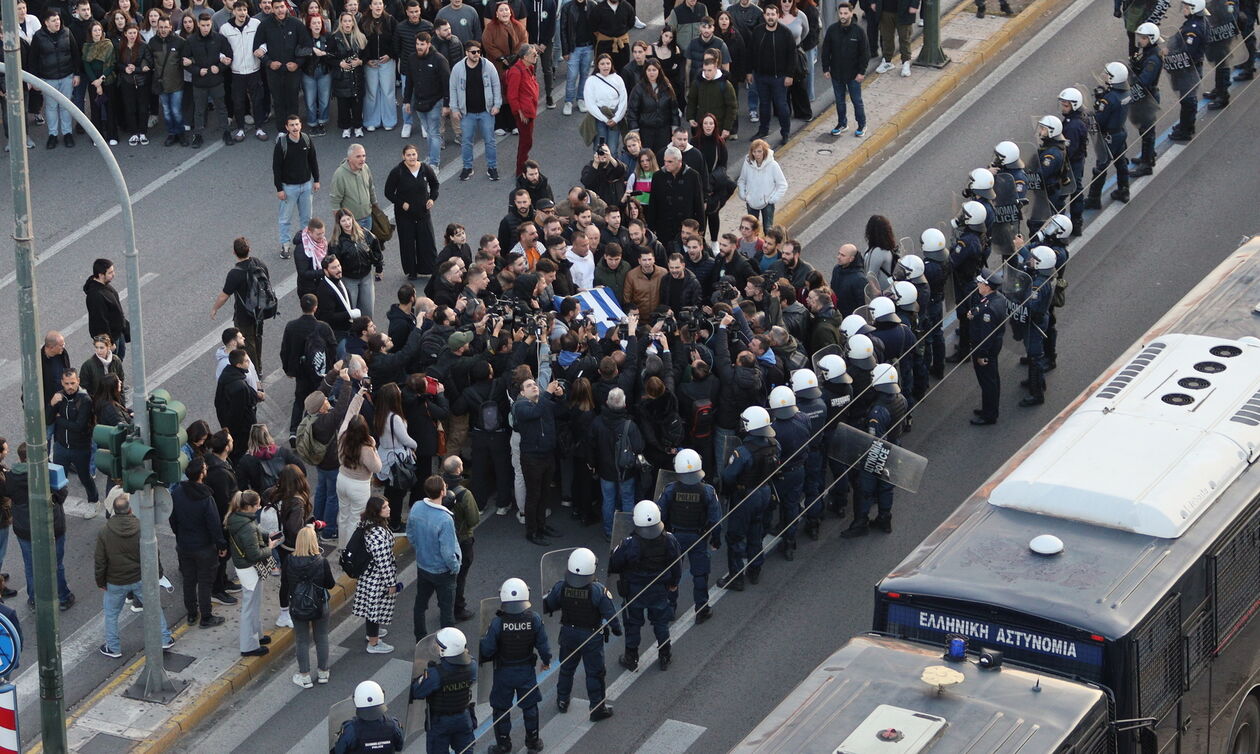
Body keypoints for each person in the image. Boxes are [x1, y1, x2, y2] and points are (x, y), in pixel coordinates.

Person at [541, 548, 619, 720]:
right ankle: (597, 708)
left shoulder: (561, 587)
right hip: (591, 637)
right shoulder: (598, 590)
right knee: (595, 673)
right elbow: (610, 614)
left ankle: (562, 700)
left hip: (568, 634)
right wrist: (616, 628)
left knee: (567, 669)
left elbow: (548, 605)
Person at [95, 493, 174, 659]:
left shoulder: (105, 532)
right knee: (153, 607)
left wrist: (101, 581)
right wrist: (158, 573)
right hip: (140, 578)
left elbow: (100, 561)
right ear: (131, 509)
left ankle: (113, 647)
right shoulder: (142, 526)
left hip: (115, 580)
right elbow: (154, 552)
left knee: (111, 614)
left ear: (114, 510)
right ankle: (165, 638)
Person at [480, 578, 551, 753]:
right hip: (526, 671)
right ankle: (533, 742)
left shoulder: (497, 623)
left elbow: (487, 650)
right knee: (530, 707)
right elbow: (543, 646)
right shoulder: (534, 619)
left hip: (503, 673)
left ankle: (503, 745)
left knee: (501, 709)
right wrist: (546, 661)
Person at [609, 500, 681, 672]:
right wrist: (673, 584)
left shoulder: (629, 543)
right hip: (658, 590)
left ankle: (631, 658)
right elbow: (676, 564)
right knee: (660, 623)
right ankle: (665, 655)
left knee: (633, 624)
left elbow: (614, 564)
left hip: (634, 591)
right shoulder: (669, 539)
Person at [656, 449, 720, 622]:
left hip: (674, 537)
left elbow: (659, 516)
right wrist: (716, 539)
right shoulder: (707, 491)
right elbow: (715, 518)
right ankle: (702, 609)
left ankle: (670, 609)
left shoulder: (669, 490)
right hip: (698, 538)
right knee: (700, 574)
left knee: (672, 574)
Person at [9, 442, 76, 610]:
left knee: (31, 566)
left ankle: (34, 599)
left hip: (25, 529)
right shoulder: (47, 474)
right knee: (56, 564)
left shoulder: (12, 477)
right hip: (52, 527)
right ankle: (62, 597)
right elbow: (62, 495)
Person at [717, 404, 777, 591]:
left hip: (746, 496)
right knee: (756, 532)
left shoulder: (742, 452)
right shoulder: (774, 444)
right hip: (765, 491)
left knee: (735, 536)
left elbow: (728, 476)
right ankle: (755, 569)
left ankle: (736, 577)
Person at [169, 456, 228, 628]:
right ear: (201, 474)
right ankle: (206, 616)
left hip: (184, 545)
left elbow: (173, 519)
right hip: (204, 547)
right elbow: (214, 524)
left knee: (189, 580)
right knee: (204, 582)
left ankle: (192, 614)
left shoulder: (177, 493)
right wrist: (221, 545)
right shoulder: (206, 498)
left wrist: (180, 536)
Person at [226, 490, 281, 656]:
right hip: (249, 568)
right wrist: (270, 548)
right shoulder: (247, 526)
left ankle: (256, 636)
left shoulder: (239, 518)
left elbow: (257, 530)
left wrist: (268, 535)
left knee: (254, 604)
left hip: (245, 568)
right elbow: (255, 554)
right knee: (250, 607)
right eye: (257, 504)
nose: (260, 507)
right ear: (249, 506)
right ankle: (248, 646)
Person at [512, 378, 565, 545]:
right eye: (528, 385)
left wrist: (560, 397)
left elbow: (563, 412)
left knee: (545, 493)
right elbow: (534, 413)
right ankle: (531, 530)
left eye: (535, 384)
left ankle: (541, 525)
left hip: (547, 455)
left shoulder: (544, 402)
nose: (534, 386)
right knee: (534, 495)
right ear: (522, 393)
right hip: (532, 458)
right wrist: (548, 394)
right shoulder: (520, 406)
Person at [408, 475, 461, 641]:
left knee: (420, 604)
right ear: (443, 492)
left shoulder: (416, 507)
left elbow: (410, 534)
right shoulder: (445, 519)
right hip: (443, 571)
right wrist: (455, 567)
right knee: (446, 610)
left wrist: (422, 550)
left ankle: (420, 639)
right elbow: (448, 552)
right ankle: (449, 645)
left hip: (423, 566)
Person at [409, 627, 476, 753]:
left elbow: (417, 691)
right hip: (463, 717)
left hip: (441, 722)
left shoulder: (435, 674)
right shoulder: (472, 666)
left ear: (444, 650)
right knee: (466, 750)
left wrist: (421, 676)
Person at [210, 237, 272, 369]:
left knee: (247, 343)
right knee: (257, 337)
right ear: (249, 250)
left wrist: (215, 308)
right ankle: (259, 365)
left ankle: (254, 370)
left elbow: (224, 296)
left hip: (244, 314)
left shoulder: (235, 273)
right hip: (260, 310)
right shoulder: (259, 263)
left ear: (234, 252)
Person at [287, 526, 336, 688]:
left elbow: (285, 585)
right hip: (320, 605)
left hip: (298, 605)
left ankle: (305, 676)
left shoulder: (289, 561)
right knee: (321, 637)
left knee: (301, 640)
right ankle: (323, 673)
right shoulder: (321, 561)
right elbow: (330, 584)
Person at [449, 39, 503, 182]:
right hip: (467, 113)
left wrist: (497, 105)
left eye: (479, 51)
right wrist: (454, 108)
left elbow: (496, 85)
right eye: (473, 52)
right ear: (467, 53)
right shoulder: (458, 68)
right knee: (466, 141)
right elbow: (453, 88)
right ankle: (467, 167)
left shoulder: (488, 66)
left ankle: (492, 167)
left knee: (490, 141)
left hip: (486, 111)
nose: (477, 54)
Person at [351, 496, 399, 653]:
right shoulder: (377, 533)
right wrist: (391, 583)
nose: (389, 509)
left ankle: (372, 633)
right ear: (377, 512)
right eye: (385, 507)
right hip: (376, 577)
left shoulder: (368, 524)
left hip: (369, 574)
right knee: (374, 608)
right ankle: (373, 643)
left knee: (371, 606)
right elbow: (383, 560)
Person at [384, 144, 441, 279]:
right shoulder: (397, 171)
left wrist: (432, 199)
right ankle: (412, 271)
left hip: (423, 212)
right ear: (403, 156)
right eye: (408, 155)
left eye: (413, 154)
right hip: (405, 215)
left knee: (427, 241)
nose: (411, 157)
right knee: (407, 242)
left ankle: (430, 268)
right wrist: (401, 203)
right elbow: (388, 192)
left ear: (417, 155)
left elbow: (435, 184)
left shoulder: (424, 168)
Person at [254, 0, 309, 134]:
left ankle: (295, 130)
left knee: (292, 101)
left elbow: (306, 46)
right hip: (274, 71)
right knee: (278, 101)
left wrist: (297, 63)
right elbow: (257, 48)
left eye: (282, 7)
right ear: (272, 9)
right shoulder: (264, 25)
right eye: (276, 7)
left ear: (286, 7)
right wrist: (268, 62)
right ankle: (281, 130)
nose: (280, 10)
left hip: (293, 70)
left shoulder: (296, 24)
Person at [31, 10, 82, 149]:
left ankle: (67, 133)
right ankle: (52, 135)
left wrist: (77, 74)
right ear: (46, 22)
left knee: (66, 106)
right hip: (48, 78)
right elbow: (33, 59)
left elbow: (75, 53)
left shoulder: (67, 32)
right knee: (51, 107)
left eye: (58, 19)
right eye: (53, 20)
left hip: (67, 76)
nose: (57, 22)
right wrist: (34, 80)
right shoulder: (38, 37)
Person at [274, 115, 321, 261]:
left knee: (307, 218)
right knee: (285, 219)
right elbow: (276, 168)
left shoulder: (306, 139)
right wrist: (279, 189)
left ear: (301, 125)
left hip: (306, 185)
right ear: (287, 127)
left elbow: (313, 160)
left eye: (297, 124)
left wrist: (316, 180)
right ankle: (285, 246)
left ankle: (306, 244)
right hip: (289, 188)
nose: (295, 127)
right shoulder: (282, 144)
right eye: (291, 125)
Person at [748, 3, 795, 147]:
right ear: (764, 16)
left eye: (773, 14)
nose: (770, 17)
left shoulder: (786, 33)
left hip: (779, 78)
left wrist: (789, 75)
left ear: (777, 15)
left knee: (782, 106)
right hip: (761, 77)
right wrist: (749, 71)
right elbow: (750, 52)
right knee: (764, 105)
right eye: (768, 14)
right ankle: (763, 130)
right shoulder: (757, 31)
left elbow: (792, 56)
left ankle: (785, 132)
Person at [182, 12, 232, 148]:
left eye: (208, 25)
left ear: (211, 24)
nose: (205, 28)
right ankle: (198, 135)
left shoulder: (220, 38)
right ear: (198, 24)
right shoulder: (191, 41)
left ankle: (226, 132)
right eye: (203, 25)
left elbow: (229, 56)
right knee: (199, 110)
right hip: (199, 83)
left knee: (221, 108)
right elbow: (184, 61)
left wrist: (220, 67)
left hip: (216, 81)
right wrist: (197, 71)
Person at [401, 31, 450, 168]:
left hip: (436, 102)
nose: (419, 47)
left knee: (434, 133)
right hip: (419, 102)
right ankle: (430, 158)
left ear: (428, 44)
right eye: (417, 44)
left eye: (422, 44)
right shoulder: (412, 58)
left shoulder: (439, 60)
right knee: (429, 132)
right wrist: (406, 101)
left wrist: (446, 104)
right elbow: (409, 82)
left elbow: (447, 83)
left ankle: (434, 163)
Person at [337, 397, 381, 547]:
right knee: (355, 519)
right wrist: (373, 446)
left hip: (342, 479)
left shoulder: (342, 435)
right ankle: (351, 550)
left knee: (343, 515)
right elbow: (377, 468)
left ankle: (342, 547)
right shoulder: (366, 448)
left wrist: (359, 396)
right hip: (359, 486)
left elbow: (350, 413)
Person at [1086, 62, 1131, 206]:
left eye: (1107, 74)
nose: (1104, 76)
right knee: (1121, 162)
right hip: (1120, 132)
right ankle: (1124, 190)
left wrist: (1096, 106)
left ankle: (1094, 198)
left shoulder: (1109, 99)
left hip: (1109, 137)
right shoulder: (1126, 92)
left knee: (1100, 167)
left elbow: (1099, 120)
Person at [221, 1, 266, 142]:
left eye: (244, 10)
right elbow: (220, 48)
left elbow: (264, 41)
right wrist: (223, 58)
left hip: (254, 70)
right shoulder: (225, 29)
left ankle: (259, 128)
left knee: (258, 100)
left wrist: (263, 50)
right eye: (239, 10)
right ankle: (240, 129)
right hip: (236, 72)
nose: (242, 13)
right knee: (238, 102)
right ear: (233, 12)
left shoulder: (256, 24)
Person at [967, 269, 1008, 426]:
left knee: (988, 382)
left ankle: (989, 415)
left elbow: (986, 335)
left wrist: (981, 354)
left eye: (980, 282)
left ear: (987, 286)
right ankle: (988, 409)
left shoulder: (988, 310)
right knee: (991, 379)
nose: (978, 284)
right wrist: (974, 312)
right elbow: (981, 308)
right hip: (994, 346)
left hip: (985, 349)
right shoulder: (996, 299)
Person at [821, 2, 868, 137]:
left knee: (857, 101)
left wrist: (861, 72)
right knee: (840, 101)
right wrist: (826, 68)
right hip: (836, 74)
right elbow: (826, 51)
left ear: (851, 13)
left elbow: (865, 53)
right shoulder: (832, 30)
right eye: (841, 13)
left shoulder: (859, 32)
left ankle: (862, 124)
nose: (843, 16)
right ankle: (842, 123)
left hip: (854, 75)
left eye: (845, 13)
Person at [626, 58, 680, 158]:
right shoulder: (638, 88)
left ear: (659, 71)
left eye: (654, 70)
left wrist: (675, 127)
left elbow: (674, 109)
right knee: (647, 158)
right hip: (646, 131)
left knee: (663, 157)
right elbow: (632, 111)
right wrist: (634, 130)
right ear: (645, 71)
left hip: (664, 130)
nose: (651, 73)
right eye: (649, 70)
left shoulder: (667, 87)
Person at [1128, 22, 1163, 177]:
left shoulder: (1153, 59)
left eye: (1143, 38)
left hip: (1148, 96)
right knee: (1144, 130)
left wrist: (1132, 78)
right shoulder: (1147, 53)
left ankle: (1146, 165)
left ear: (1151, 38)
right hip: (1145, 95)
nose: (1139, 40)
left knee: (1147, 131)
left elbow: (1144, 81)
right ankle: (1147, 155)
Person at [333, 680, 405, 752]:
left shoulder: (351, 729)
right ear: (382, 696)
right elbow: (399, 747)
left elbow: (339, 751)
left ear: (356, 700)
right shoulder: (394, 725)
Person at [149, 15, 188, 145]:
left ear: (171, 26)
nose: (163, 29)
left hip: (176, 83)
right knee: (166, 111)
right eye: (161, 27)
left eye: (166, 27)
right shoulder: (153, 42)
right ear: (157, 28)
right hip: (161, 84)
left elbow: (188, 58)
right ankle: (172, 133)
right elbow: (148, 60)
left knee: (176, 111)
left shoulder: (180, 41)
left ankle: (181, 133)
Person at [504, 43, 539, 176]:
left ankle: (523, 166)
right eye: (533, 54)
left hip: (529, 109)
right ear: (525, 56)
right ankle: (521, 171)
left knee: (527, 141)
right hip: (524, 112)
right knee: (526, 142)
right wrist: (519, 112)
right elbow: (512, 95)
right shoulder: (516, 71)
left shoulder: (529, 67)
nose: (536, 56)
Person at [83, 259, 130, 359]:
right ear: (100, 275)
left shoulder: (104, 285)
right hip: (111, 338)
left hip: (117, 334)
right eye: (110, 272)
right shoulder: (96, 296)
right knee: (111, 366)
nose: (113, 274)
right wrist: (109, 343)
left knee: (118, 362)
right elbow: (100, 323)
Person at [330, 11, 367, 138]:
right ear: (340, 23)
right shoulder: (334, 38)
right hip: (342, 77)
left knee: (357, 104)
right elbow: (328, 57)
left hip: (357, 76)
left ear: (353, 23)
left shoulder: (360, 37)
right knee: (343, 105)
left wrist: (361, 61)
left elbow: (367, 55)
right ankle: (345, 127)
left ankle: (358, 127)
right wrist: (339, 63)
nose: (347, 23)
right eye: (344, 21)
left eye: (349, 21)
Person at [737, 139, 787, 230]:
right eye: (754, 152)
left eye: (759, 151)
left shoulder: (773, 165)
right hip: (751, 202)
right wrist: (744, 195)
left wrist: (772, 199)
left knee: (768, 229)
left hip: (767, 203)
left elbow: (782, 184)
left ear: (764, 151)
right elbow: (741, 180)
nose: (757, 154)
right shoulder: (747, 164)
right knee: (752, 229)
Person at [330, 143, 379, 235]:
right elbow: (335, 201)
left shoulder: (365, 168)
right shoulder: (340, 175)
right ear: (350, 158)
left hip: (368, 216)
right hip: (352, 221)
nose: (362, 159)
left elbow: (371, 188)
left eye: (364, 156)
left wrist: (375, 205)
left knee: (367, 246)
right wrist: (339, 222)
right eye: (358, 156)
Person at [559, 0, 594, 116]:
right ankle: (568, 101)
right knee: (572, 76)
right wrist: (565, 50)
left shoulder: (592, 5)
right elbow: (563, 30)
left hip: (588, 46)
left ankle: (581, 99)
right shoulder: (567, 7)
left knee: (585, 75)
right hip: (574, 49)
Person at [302, 13, 334, 136]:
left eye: (319, 23)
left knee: (324, 100)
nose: (317, 25)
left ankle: (322, 122)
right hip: (308, 72)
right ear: (309, 25)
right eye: (314, 23)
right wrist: (311, 50)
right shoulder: (305, 38)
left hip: (324, 71)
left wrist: (326, 54)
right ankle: (312, 124)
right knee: (310, 100)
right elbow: (298, 50)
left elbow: (333, 53)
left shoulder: (328, 36)